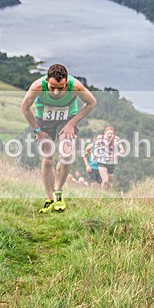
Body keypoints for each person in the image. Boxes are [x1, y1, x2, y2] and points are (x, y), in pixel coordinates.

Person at [20, 64, 96, 213]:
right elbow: (24, 107)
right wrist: (38, 130)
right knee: (47, 160)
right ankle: (50, 199)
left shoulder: (76, 87)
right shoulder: (37, 87)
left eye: (61, 88)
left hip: (66, 120)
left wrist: (71, 124)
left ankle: (58, 193)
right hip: (44, 121)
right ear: (47, 80)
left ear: (66, 82)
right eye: (52, 87)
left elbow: (92, 102)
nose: (56, 92)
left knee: (66, 155)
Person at [93, 125, 125, 189]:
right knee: (105, 180)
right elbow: (94, 146)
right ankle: (102, 194)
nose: (110, 135)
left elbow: (122, 150)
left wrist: (115, 155)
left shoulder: (116, 139)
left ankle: (107, 193)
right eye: (108, 133)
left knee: (109, 182)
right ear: (105, 133)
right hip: (101, 162)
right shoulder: (100, 137)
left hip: (111, 163)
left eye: (111, 133)